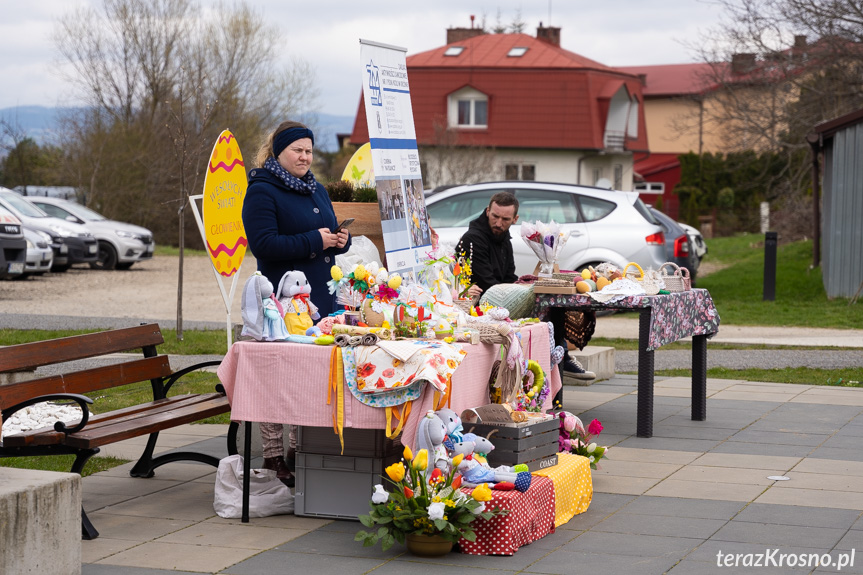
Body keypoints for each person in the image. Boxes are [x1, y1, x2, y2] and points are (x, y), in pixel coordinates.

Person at [242, 120, 352, 486]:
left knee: (308, 379)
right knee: (277, 379)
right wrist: (314, 241)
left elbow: (329, 232)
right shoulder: (262, 190)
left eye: (308, 150)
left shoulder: (315, 188)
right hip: (278, 303)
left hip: (319, 300)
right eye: (297, 150)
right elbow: (264, 245)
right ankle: (273, 457)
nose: (305, 157)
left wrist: (341, 239)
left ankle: (299, 449)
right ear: (278, 152)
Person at [455, 192, 595, 394]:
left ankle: (559, 355)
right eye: (495, 216)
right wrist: (518, 290)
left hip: (500, 298)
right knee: (545, 297)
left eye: (505, 219)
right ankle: (560, 356)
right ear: (487, 211)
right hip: (482, 305)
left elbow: (509, 276)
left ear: (515, 219)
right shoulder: (473, 238)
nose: (498, 223)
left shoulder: (504, 240)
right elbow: (488, 283)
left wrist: (519, 286)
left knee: (550, 296)